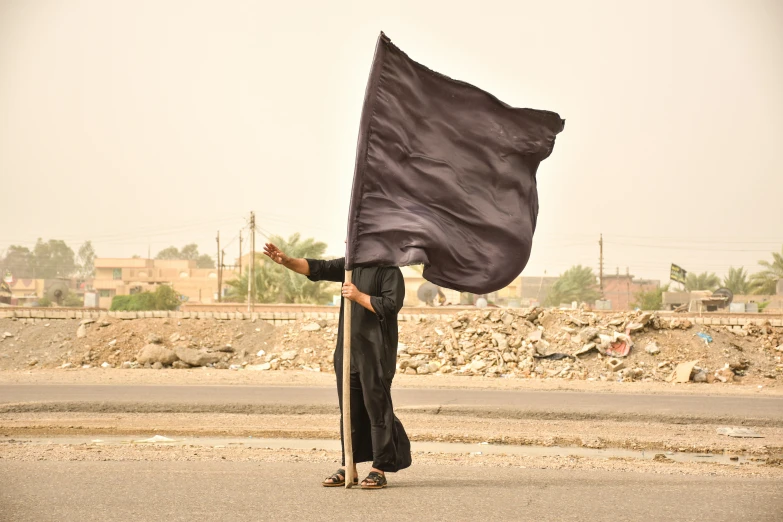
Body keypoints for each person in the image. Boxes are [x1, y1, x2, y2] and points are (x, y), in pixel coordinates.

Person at [263, 242, 411, 489]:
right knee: (349, 410)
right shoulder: (350, 267)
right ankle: (349, 465)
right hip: (347, 351)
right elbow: (317, 268)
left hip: (376, 352)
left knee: (377, 409)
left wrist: (358, 296)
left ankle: (379, 468)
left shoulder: (389, 271)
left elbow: (390, 305)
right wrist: (286, 261)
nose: (350, 244)